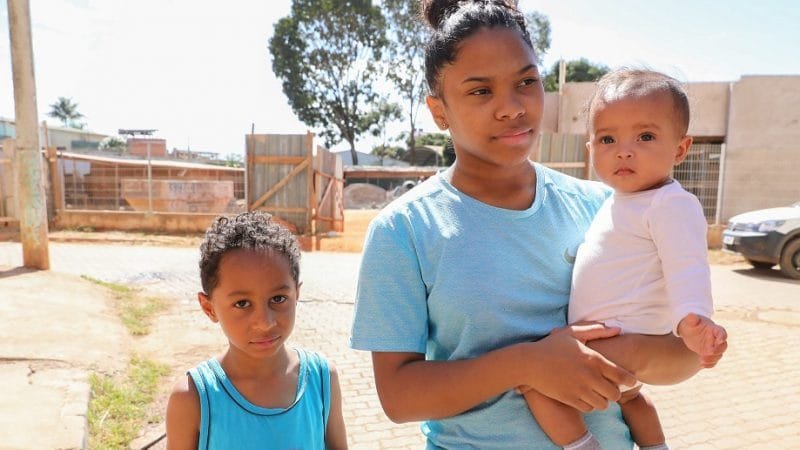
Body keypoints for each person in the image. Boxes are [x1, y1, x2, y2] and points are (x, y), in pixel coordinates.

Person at [350, 1, 723, 448]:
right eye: (480, 91)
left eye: (526, 82)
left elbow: (685, 356)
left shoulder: (606, 206)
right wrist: (526, 364)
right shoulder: (405, 230)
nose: (512, 108)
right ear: (438, 110)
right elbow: (399, 397)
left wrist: (633, 354)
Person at [522, 69, 728, 450]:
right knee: (632, 399)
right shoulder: (617, 201)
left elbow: (688, 266)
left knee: (536, 382)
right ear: (590, 148)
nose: (624, 150)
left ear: (680, 149)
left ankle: (582, 446)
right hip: (612, 338)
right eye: (608, 139)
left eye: (645, 136)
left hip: (624, 338)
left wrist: (692, 321)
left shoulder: (670, 203)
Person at [165, 211, 348, 450]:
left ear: (297, 294)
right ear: (209, 308)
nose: (265, 322)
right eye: (242, 304)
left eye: (278, 299)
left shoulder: (322, 379)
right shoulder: (194, 399)